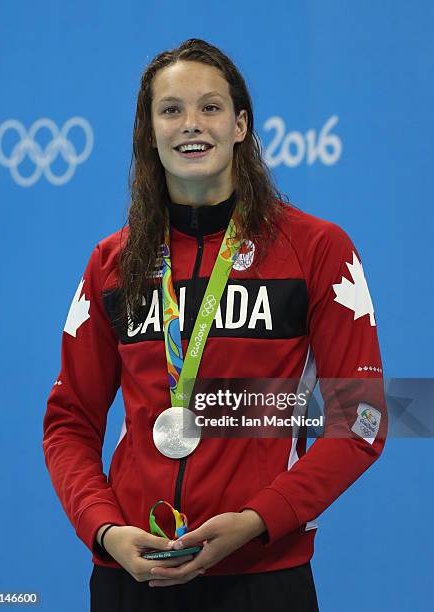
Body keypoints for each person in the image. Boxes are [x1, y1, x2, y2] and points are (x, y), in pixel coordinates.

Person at [43, 38, 386, 612]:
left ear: (240, 125)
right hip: (132, 575)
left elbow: (363, 418)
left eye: (211, 106)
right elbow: (69, 422)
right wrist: (105, 531)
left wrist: (258, 520)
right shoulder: (111, 263)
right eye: (171, 109)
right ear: (148, 132)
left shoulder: (317, 249)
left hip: (261, 575)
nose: (190, 124)